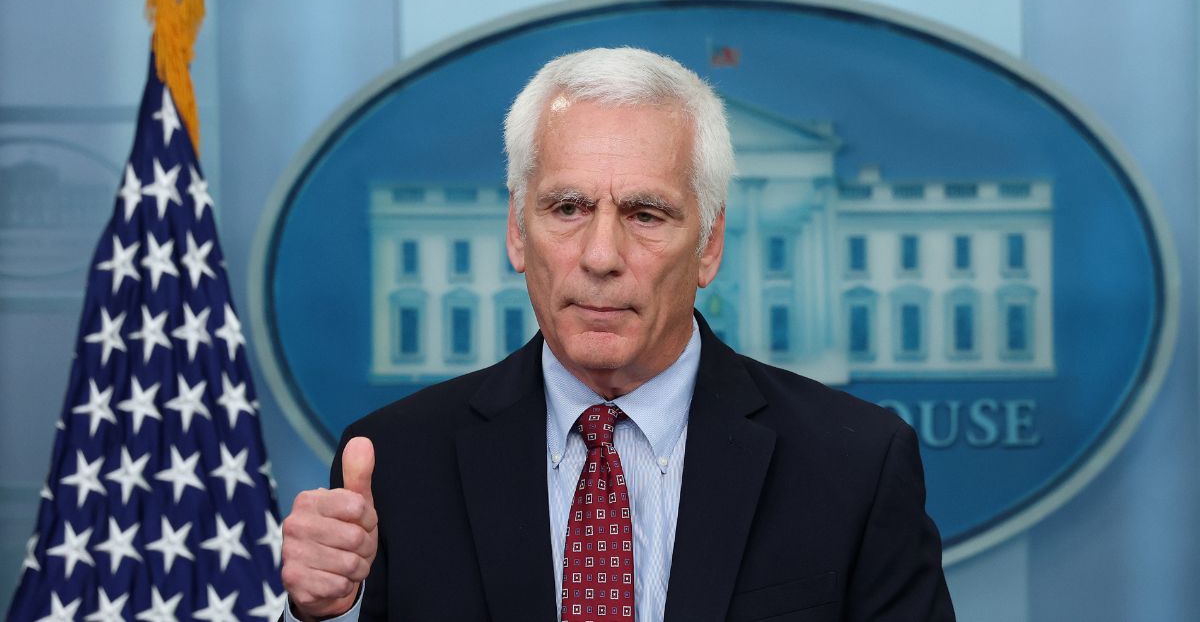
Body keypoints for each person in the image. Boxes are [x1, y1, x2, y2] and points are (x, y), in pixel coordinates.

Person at [280, 46, 955, 622]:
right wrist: (326, 614)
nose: (601, 255)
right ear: (518, 231)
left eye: (646, 214)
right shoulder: (396, 464)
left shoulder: (855, 466)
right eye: (567, 208)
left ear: (710, 244)